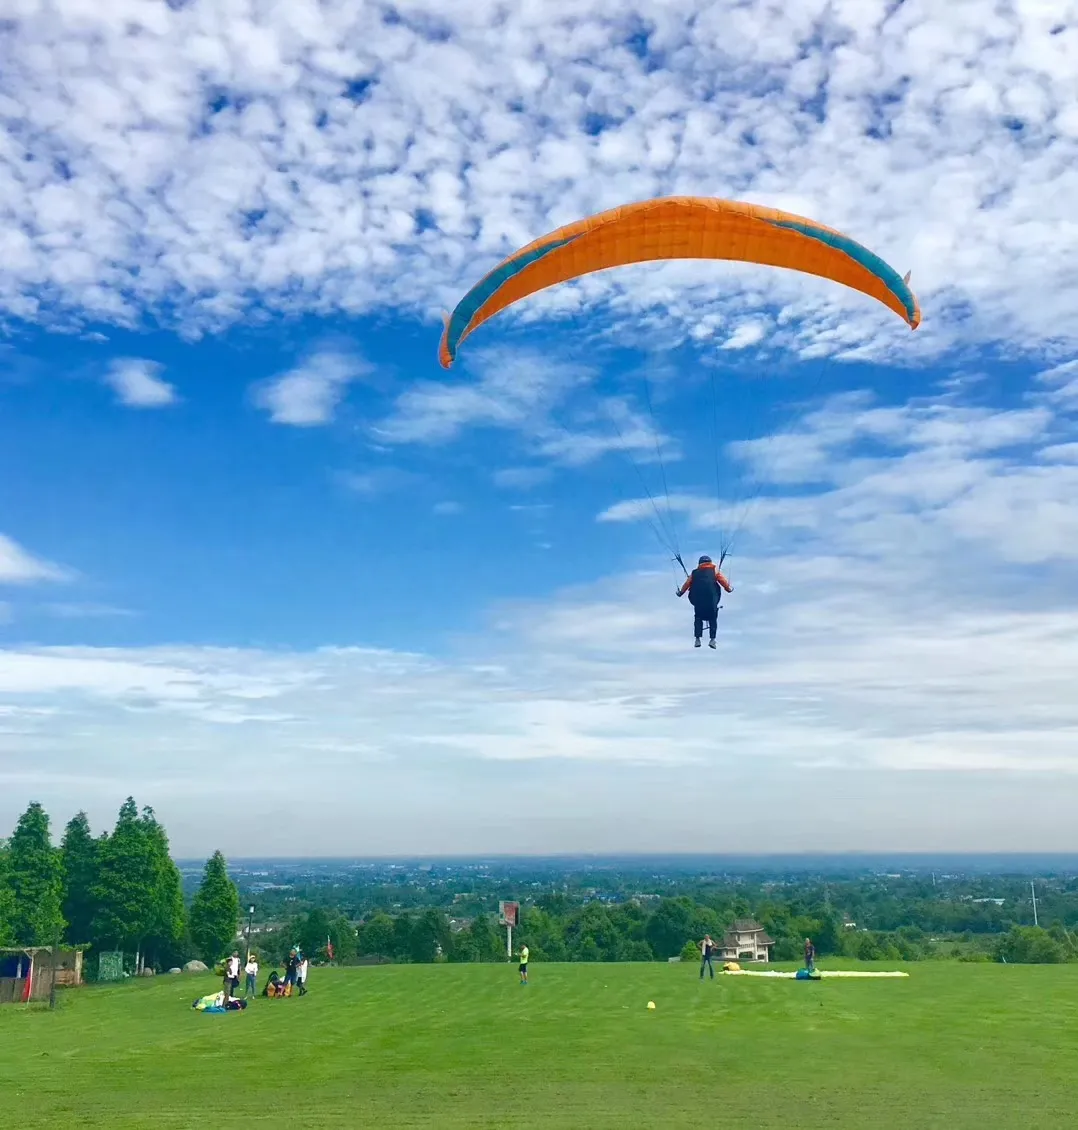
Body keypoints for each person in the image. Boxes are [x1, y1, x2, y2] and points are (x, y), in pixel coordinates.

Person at [677, 556, 733, 648]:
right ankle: (712, 640)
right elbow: (723, 581)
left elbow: (687, 584)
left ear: (700, 563)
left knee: (698, 616)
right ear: (710, 562)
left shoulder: (694, 573)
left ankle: (697, 639)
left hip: (698, 602)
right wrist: (729, 589)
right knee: (713, 617)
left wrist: (680, 593)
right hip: (712, 601)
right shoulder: (715, 571)